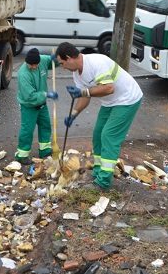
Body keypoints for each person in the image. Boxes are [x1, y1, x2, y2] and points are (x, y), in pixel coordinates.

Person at [56, 42, 143, 189]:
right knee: (97, 134)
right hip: (110, 103)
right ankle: (98, 171)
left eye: (62, 63)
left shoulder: (97, 62)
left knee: (109, 136)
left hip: (127, 99)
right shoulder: (77, 73)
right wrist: (74, 114)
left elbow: (109, 88)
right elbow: (85, 97)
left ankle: (103, 182)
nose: (63, 67)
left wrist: (84, 92)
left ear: (70, 58)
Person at [15, 48, 59, 164]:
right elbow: (30, 96)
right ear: (26, 62)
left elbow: (52, 61)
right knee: (27, 130)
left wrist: (57, 59)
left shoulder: (42, 61)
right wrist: (47, 94)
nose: (33, 67)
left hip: (42, 104)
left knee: (45, 125)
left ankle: (44, 149)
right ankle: (22, 154)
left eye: (35, 64)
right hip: (29, 106)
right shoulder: (23, 74)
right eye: (31, 65)